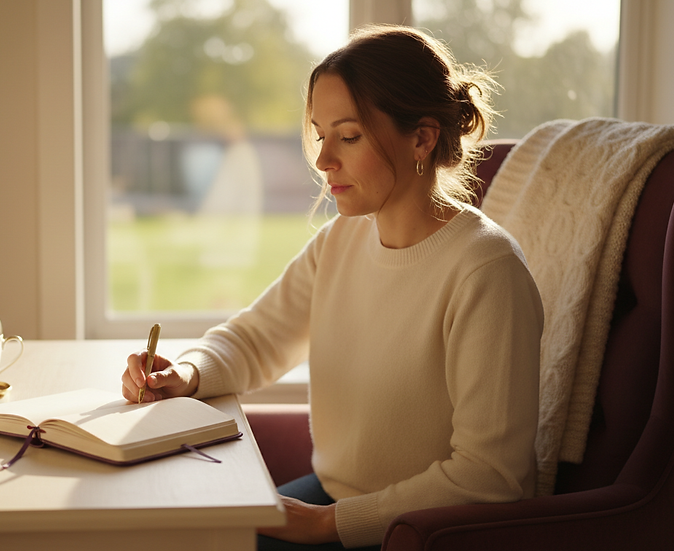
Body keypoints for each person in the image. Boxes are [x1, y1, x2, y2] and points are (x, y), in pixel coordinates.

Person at [121, 24, 544, 550]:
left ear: (422, 136)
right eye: (322, 136)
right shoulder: (342, 241)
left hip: (421, 532)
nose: (323, 161)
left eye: (348, 136)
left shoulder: (487, 271)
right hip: (333, 500)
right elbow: (255, 339)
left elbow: (490, 477)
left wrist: (328, 523)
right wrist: (184, 373)